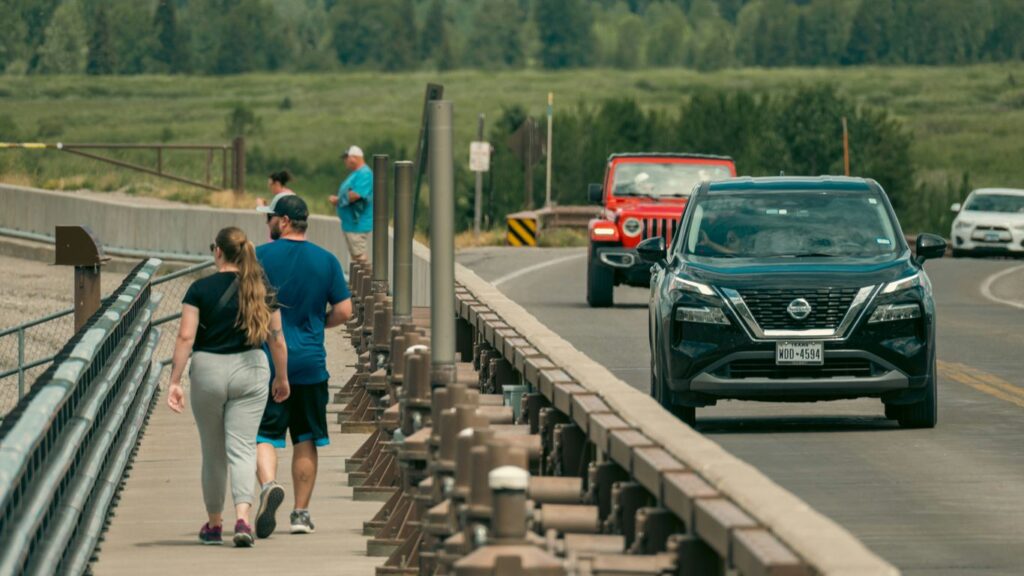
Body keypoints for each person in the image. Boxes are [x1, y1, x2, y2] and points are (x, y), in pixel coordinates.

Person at [167, 226, 290, 547]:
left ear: (218, 251)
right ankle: (243, 520)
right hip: (251, 369)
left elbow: (185, 337)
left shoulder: (199, 289)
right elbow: (277, 340)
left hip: (208, 370)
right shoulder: (261, 289)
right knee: (243, 447)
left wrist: (174, 381)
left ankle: (214, 524)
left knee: (213, 452)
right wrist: (282, 377)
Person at [253, 194, 354, 538]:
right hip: (310, 363)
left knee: (264, 435)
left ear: (283, 221)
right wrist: (318, 323)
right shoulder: (326, 260)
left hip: (267, 362)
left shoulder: (259, 256)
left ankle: (269, 487)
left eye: (270, 217)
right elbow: (345, 311)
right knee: (306, 438)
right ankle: (300, 514)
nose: (267, 223)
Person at [328, 146, 373, 260]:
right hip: (351, 223)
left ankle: (364, 272)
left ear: (353, 158)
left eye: (346, 158)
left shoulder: (365, 173)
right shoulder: (356, 173)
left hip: (357, 223)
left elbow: (357, 194)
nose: (345, 161)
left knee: (359, 256)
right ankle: (360, 271)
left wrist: (338, 200)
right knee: (356, 255)